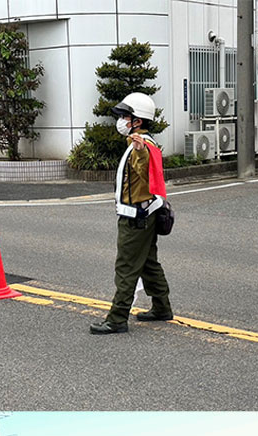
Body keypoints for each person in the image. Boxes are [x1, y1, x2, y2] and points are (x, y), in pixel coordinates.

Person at [89, 92, 173, 335]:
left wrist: (138, 151)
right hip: (146, 215)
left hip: (136, 217)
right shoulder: (142, 143)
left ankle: (116, 318)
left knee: (126, 267)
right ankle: (161, 307)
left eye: (126, 116)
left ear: (138, 121)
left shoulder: (143, 147)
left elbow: (145, 171)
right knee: (148, 264)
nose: (122, 121)